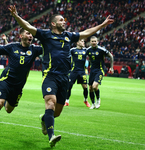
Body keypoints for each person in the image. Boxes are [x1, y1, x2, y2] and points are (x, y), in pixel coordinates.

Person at [8, 5, 114, 147]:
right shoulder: (45, 35)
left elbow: (86, 33)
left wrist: (103, 24)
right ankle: (51, 137)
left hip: (65, 78)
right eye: (61, 20)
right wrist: (16, 16)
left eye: (64, 20)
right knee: (50, 103)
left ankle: (44, 119)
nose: (64, 22)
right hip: (50, 76)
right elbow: (28, 26)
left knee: (56, 113)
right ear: (53, 23)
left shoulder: (69, 36)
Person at [0, 28, 42, 138]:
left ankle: (5, 98)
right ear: (21, 36)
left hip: (18, 86)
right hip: (6, 80)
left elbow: (50, 49)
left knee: (8, 109)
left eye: (31, 34)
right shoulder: (12, 46)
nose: (31, 35)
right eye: (28, 33)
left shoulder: (35, 49)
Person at [86, 36, 114, 109]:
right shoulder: (88, 50)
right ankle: (93, 103)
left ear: (97, 41)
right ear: (90, 42)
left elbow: (111, 56)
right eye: (92, 41)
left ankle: (98, 100)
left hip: (100, 70)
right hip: (92, 71)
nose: (94, 42)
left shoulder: (101, 50)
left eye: (95, 41)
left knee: (94, 86)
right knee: (90, 88)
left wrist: (111, 67)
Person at [64, 39, 90, 107]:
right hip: (74, 71)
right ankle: (66, 101)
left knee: (85, 87)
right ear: (77, 43)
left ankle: (85, 100)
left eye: (83, 41)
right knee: (69, 86)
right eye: (82, 41)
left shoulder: (86, 50)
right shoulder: (72, 50)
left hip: (82, 71)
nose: (83, 42)